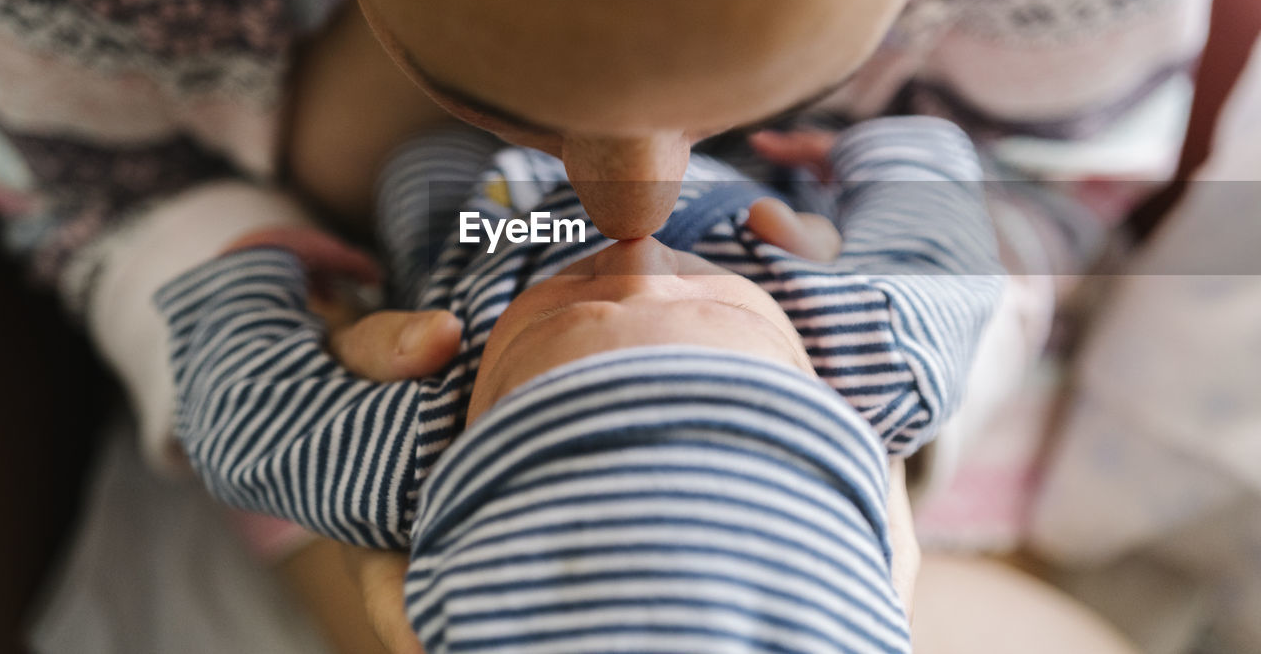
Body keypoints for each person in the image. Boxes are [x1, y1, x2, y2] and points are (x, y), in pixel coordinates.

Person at [0, 0, 1246, 649]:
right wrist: (855, 442)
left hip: (462, 253)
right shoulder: (858, 343)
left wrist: (275, 339)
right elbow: (92, 186)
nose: (628, 209)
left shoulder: (414, 430)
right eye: (497, 87)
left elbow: (255, 424)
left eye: (776, 86)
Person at [159, 115, 1002, 651]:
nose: (638, 264)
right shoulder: (868, 358)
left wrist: (253, 278)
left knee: (415, 162)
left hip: (490, 210)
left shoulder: (418, 446)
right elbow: (941, 260)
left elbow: (242, 429)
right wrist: (885, 153)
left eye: (569, 322)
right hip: (733, 155)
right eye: (716, 318)